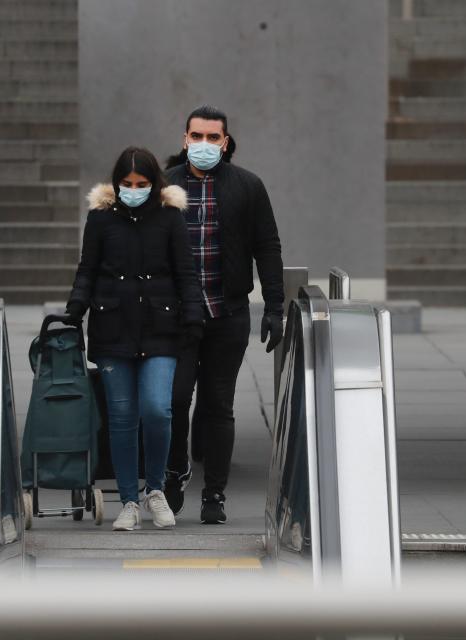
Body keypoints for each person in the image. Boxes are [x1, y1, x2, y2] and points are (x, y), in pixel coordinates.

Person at [66, 147, 204, 531]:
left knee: (158, 410)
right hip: (113, 329)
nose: (133, 190)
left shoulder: (170, 219)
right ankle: (128, 499)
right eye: (126, 184)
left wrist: (193, 316)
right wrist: (75, 309)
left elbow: (185, 273)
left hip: (161, 329)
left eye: (141, 184)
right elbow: (87, 270)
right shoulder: (100, 220)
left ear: (154, 183)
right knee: (123, 418)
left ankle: (155, 489)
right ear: (116, 184)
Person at [163, 105, 284, 524]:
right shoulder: (166, 186)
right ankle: (174, 474)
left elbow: (267, 247)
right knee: (174, 401)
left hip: (227, 313)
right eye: (196, 136)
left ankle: (214, 494)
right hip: (176, 316)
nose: (204, 145)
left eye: (213, 138)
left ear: (226, 142)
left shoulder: (246, 186)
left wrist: (274, 306)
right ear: (184, 140)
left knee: (218, 405)